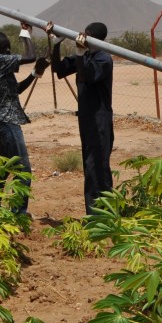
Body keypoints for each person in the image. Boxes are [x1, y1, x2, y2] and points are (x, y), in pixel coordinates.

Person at [48, 21, 114, 215]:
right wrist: (57, 43)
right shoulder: (86, 55)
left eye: (86, 34)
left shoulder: (103, 58)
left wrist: (79, 53)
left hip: (99, 119)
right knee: (90, 164)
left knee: (98, 165)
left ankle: (100, 214)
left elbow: (87, 76)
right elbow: (58, 70)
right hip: (86, 118)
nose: (81, 37)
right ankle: (97, 212)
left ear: (93, 36)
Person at [0, 23, 50, 215]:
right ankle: (18, 213)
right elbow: (30, 56)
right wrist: (26, 33)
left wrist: (35, 73)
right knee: (23, 169)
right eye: (5, 49)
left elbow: (16, 91)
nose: (8, 51)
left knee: (5, 168)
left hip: (2, 122)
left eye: (8, 48)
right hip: (7, 123)